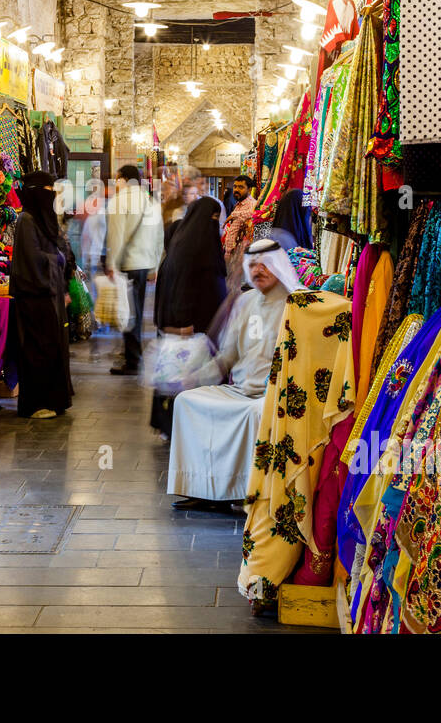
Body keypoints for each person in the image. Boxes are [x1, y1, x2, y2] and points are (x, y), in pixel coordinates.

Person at [167, 239, 304, 512]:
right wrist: (192, 378)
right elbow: (226, 357)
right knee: (186, 401)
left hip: (275, 394)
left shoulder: (297, 304)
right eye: (252, 265)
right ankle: (202, 489)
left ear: (278, 265)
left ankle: (247, 492)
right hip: (239, 389)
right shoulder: (245, 302)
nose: (258, 271)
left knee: (256, 413)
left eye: (265, 264)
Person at [151, 196, 228, 438]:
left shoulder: (183, 245)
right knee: (187, 377)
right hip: (192, 329)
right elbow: (183, 289)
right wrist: (183, 324)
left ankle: (173, 424)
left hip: (192, 327)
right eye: (213, 218)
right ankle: (181, 426)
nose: (215, 223)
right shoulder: (194, 251)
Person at [10, 170, 75, 419]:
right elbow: (32, 259)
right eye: (48, 192)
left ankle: (54, 399)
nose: (52, 197)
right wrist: (57, 259)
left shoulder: (43, 219)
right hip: (34, 296)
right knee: (38, 350)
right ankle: (36, 403)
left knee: (53, 347)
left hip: (50, 294)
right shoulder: (26, 220)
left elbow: (59, 249)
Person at [105, 165, 164, 376]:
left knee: (129, 312)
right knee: (135, 312)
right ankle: (134, 355)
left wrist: (111, 264)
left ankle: (133, 360)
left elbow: (117, 236)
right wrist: (155, 266)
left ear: (123, 179)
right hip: (144, 263)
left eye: (116, 178)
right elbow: (159, 237)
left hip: (128, 264)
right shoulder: (151, 202)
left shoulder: (119, 201)